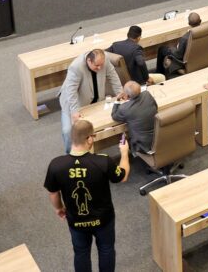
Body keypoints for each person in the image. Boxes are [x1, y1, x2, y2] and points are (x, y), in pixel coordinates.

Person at [45, 119, 129, 272]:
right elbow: (122, 176)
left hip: (76, 221)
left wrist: (59, 208)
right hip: (103, 219)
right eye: (93, 136)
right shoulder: (103, 161)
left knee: (81, 252)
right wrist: (124, 153)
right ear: (89, 138)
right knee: (106, 249)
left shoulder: (56, 165)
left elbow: (53, 192)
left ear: (72, 138)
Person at [59, 49, 123, 153]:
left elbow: (113, 76)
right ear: (89, 60)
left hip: (95, 99)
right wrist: (74, 111)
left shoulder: (104, 59)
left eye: (101, 65)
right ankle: (70, 155)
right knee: (67, 131)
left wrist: (120, 93)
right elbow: (71, 91)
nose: (100, 68)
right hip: (73, 102)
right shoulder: (76, 67)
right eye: (97, 65)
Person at [111, 81, 157, 155]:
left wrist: (117, 100)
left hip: (142, 145)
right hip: (158, 138)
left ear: (127, 95)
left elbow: (114, 116)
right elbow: (155, 107)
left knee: (125, 137)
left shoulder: (124, 108)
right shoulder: (147, 94)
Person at [157, 12, 202, 76]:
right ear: (200, 21)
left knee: (162, 49)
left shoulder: (185, 38)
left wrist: (172, 49)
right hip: (200, 56)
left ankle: (159, 74)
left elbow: (178, 55)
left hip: (185, 61)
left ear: (189, 23)